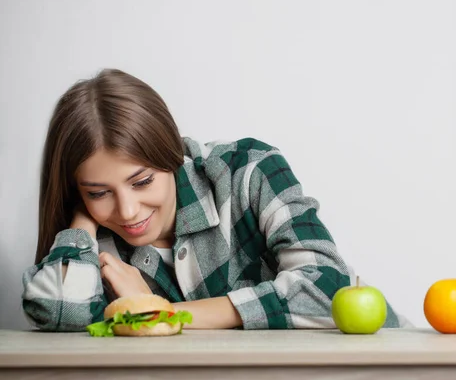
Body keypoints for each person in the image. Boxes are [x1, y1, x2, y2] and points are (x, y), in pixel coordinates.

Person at [22, 69, 411, 331]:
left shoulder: (248, 172)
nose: (126, 211)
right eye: (99, 192)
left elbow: (327, 289)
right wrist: (81, 222)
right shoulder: (91, 243)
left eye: (141, 182)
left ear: (171, 155)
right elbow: (61, 316)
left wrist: (164, 314)